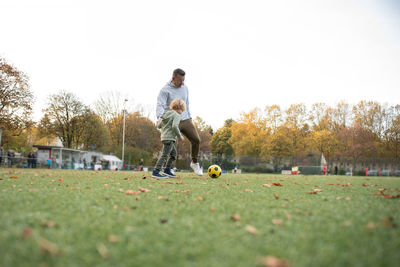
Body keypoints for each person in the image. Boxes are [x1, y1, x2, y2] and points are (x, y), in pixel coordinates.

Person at [156, 68, 203, 176]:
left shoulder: (185, 88)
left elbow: (187, 103)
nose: (182, 83)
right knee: (171, 146)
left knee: (196, 140)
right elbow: (160, 105)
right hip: (171, 119)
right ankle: (169, 168)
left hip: (185, 118)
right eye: (180, 80)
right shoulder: (165, 90)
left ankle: (194, 163)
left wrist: (190, 117)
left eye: (183, 80)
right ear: (173, 78)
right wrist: (159, 118)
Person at [152, 98, 186, 179]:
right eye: (182, 110)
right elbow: (174, 126)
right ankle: (156, 172)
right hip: (170, 138)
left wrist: (158, 122)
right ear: (180, 108)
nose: (182, 112)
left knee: (173, 154)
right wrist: (180, 136)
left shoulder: (166, 114)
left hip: (164, 137)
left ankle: (167, 170)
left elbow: (159, 126)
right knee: (164, 155)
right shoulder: (176, 115)